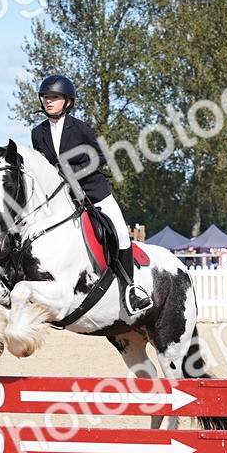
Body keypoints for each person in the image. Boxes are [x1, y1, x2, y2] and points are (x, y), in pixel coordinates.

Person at [29, 74, 151, 314]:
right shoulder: (38, 132)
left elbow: (101, 157)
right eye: (46, 97)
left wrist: (71, 172)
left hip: (93, 191)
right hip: (61, 197)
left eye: (54, 97)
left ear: (68, 102)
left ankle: (131, 288)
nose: (48, 101)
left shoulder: (81, 128)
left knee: (120, 232)